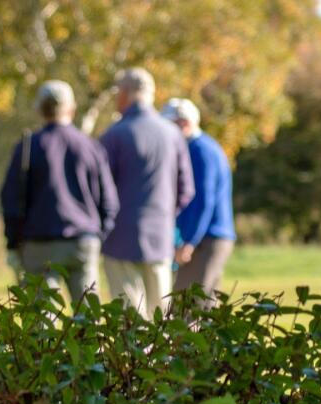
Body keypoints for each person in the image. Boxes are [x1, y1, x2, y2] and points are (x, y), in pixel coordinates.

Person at [0, 80, 118, 305]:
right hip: (83, 240)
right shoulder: (90, 146)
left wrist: (13, 242)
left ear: (40, 109)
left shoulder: (29, 147)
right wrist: (98, 234)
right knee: (88, 315)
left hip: (39, 244)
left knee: (42, 318)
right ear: (71, 109)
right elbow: (109, 202)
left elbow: (11, 200)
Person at [98, 68, 194, 318]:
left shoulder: (114, 136)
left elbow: (98, 190)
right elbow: (186, 189)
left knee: (130, 317)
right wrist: (165, 213)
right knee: (160, 315)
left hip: (120, 237)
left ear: (124, 94)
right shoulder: (172, 134)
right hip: (160, 236)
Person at [165, 99, 236, 299]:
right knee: (205, 308)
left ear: (184, 123)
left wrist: (188, 241)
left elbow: (203, 201)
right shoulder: (200, 147)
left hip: (206, 240)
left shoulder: (200, 151)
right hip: (207, 238)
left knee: (186, 305)